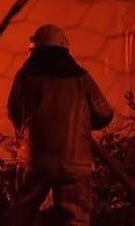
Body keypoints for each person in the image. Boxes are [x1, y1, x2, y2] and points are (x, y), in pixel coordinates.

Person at [7, 24, 113, 226]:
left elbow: (13, 110)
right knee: (76, 219)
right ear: (65, 48)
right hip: (74, 163)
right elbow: (104, 114)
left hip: (35, 161)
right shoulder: (82, 79)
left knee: (23, 214)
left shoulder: (24, 77)